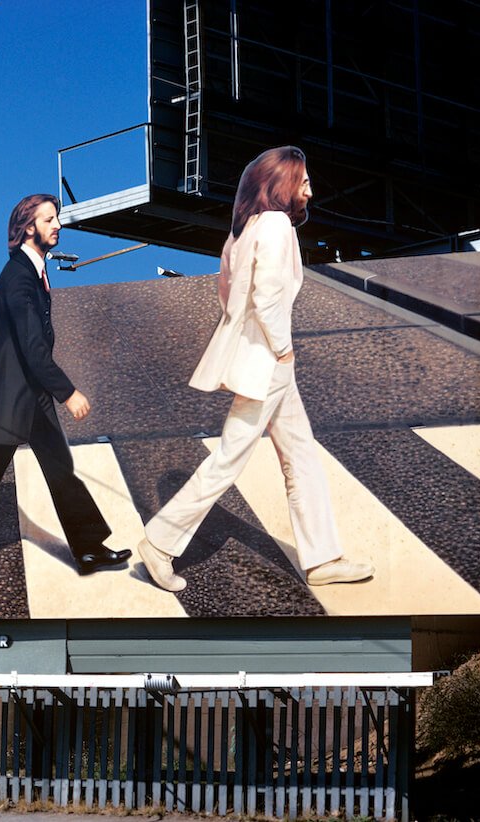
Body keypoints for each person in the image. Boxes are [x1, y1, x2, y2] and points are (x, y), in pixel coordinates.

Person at [135, 147, 374, 592]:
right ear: (281, 183)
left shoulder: (240, 233)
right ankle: (160, 541)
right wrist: (282, 350)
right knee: (229, 458)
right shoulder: (278, 225)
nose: (310, 188)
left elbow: (228, 298)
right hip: (270, 363)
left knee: (300, 453)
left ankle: (322, 559)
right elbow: (265, 297)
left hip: (261, 360)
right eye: (303, 180)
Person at [0, 194, 131, 590]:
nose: (57, 225)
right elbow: (32, 347)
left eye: (57, 218)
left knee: (60, 468)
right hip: (13, 399)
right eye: (49, 219)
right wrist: (68, 392)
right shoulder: (17, 276)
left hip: (30, 397)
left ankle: (88, 547)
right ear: (28, 228)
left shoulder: (33, 271)